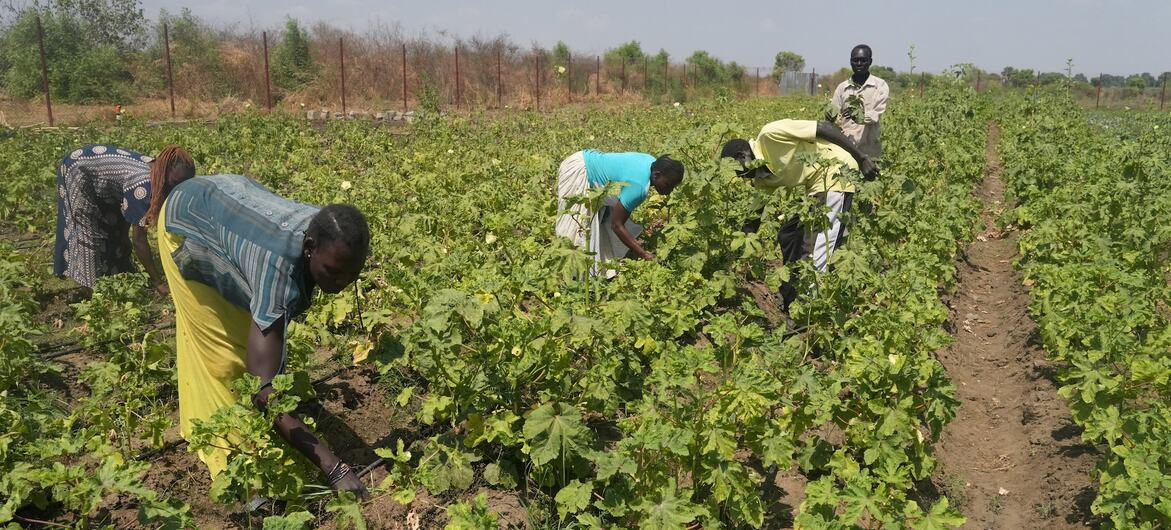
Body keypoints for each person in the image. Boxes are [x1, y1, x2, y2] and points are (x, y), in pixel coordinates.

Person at [156, 174, 369, 497]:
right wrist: (333, 466)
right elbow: (262, 390)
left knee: (255, 345)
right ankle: (234, 466)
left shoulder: (329, 231)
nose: (341, 282)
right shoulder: (278, 268)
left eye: (352, 274)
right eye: (334, 272)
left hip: (227, 201)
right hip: (187, 221)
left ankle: (258, 436)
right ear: (310, 249)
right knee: (226, 361)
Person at [721, 120, 878, 311]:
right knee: (790, 235)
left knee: (815, 249)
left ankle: (809, 313)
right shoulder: (763, 178)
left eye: (737, 170)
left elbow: (823, 128)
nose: (740, 177)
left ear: (742, 156)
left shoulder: (770, 135)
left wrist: (861, 158)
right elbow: (753, 219)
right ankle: (792, 295)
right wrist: (732, 255)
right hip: (815, 187)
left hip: (836, 173)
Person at [53, 144, 195, 295]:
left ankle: (113, 276)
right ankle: (93, 292)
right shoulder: (143, 186)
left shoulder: (159, 173)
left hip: (103, 178)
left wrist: (123, 235)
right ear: (165, 173)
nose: (176, 190)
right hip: (78, 170)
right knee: (88, 232)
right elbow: (139, 241)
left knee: (114, 227)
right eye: (174, 183)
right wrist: (158, 283)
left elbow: (130, 211)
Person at [554, 150, 684, 276]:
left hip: (584, 158)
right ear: (656, 175)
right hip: (579, 172)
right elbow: (616, 225)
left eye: (673, 187)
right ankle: (569, 278)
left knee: (595, 224)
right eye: (668, 184)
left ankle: (591, 270)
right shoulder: (638, 187)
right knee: (574, 233)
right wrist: (645, 255)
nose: (670, 191)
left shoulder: (651, 161)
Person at [827, 44, 890, 160]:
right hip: (846, 148)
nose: (859, 64)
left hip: (870, 149)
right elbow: (834, 113)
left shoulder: (880, 86)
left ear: (870, 61)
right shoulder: (842, 88)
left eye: (863, 60)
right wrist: (830, 116)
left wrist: (857, 115)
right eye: (855, 60)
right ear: (850, 62)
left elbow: (876, 115)